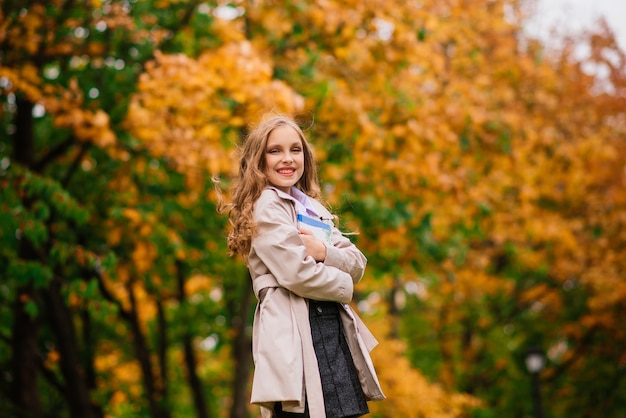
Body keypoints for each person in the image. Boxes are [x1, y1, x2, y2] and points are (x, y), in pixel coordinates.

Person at [223, 115, 385, 418]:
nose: (287, 159)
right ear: (259, 160)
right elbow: (298, 273)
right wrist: (344, 286)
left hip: (328, 330)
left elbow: (357, 262)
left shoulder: (310, 207)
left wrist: (322, 250)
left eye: (295, 150)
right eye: (275, 151)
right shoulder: (267, 205)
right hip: (296, 335)